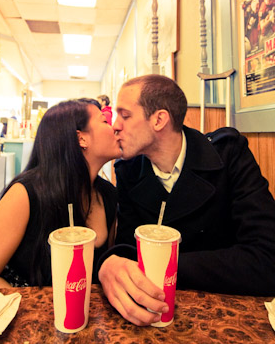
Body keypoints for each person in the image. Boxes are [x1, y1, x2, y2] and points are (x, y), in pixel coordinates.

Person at [98, 74, 275, 326]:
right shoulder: (129, 171)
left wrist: (164, 267)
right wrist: (110, 262)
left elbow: (266, 259)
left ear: (159, 119)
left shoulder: (229, 156)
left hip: (229, 321)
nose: (114, 125)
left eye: (125, 116)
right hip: (153, 319)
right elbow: (129, 247)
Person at [0, 99, 122, 288]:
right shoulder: (26, 194)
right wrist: (42, 310)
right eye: (105, 121)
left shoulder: (108, 194)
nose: (115, 128)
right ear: (81, 139)